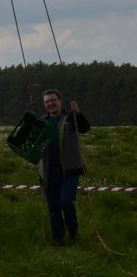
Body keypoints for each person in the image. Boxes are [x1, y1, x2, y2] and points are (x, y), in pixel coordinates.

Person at [38, 89, 90, 246]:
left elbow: (84, 128)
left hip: (69, 171)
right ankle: (58, 240)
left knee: (66, 202)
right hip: (48, 172)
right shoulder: (41, 122)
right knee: (53, 208)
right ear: (44, 104)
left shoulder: (70, 118)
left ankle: (73, 233)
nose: (51, 104)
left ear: (60, 101)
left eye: (53, 100)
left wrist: (77, 113)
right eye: (47, 102)